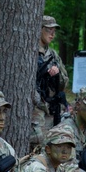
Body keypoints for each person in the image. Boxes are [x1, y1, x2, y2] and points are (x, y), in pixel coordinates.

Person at [32, 15, 68, 147]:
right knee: (37, 142)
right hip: (36, 108)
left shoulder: (53, 55)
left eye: (54, 31)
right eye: (48, 30)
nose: (52, 34)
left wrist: (57, 73)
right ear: (39, 29)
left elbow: (64, 82)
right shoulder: (30, 52)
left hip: (51, 107)